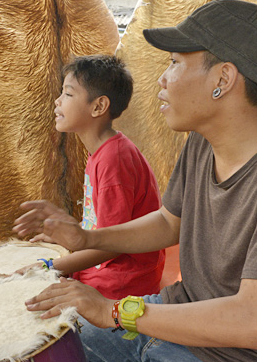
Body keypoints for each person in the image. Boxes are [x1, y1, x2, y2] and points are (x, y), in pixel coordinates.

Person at [13, 0, 257, 362]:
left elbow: (254, 322)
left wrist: (117, 312)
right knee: (32, 357)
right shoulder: (202, 143)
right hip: (180, 313)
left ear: (222, 79)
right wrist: (85, 238)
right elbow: (169, 223)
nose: (162, 79)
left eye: (173, 63)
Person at [16, 54, 165, 300]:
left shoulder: (113, 160)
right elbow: (99, 229)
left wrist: (48, 267)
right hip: (104, 272)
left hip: (120, 286)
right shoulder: (103, 152)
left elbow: (112, 244)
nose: (57, 101)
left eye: (68, 94)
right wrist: (65, 240)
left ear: (98, 106)